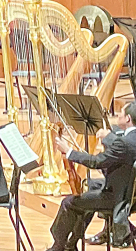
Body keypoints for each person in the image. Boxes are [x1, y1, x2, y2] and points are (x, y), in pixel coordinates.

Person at [45, 103, 136, 251]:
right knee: (89, 187)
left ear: (128, 118)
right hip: (130, 192)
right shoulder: (130, 139)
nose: (117, 114)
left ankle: (59, 246)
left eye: (121, 112)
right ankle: (71, 243)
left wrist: (69, 152)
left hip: (118, 198)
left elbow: (96, 162)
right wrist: (109, 137)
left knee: (69, 202)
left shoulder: (123, 143)